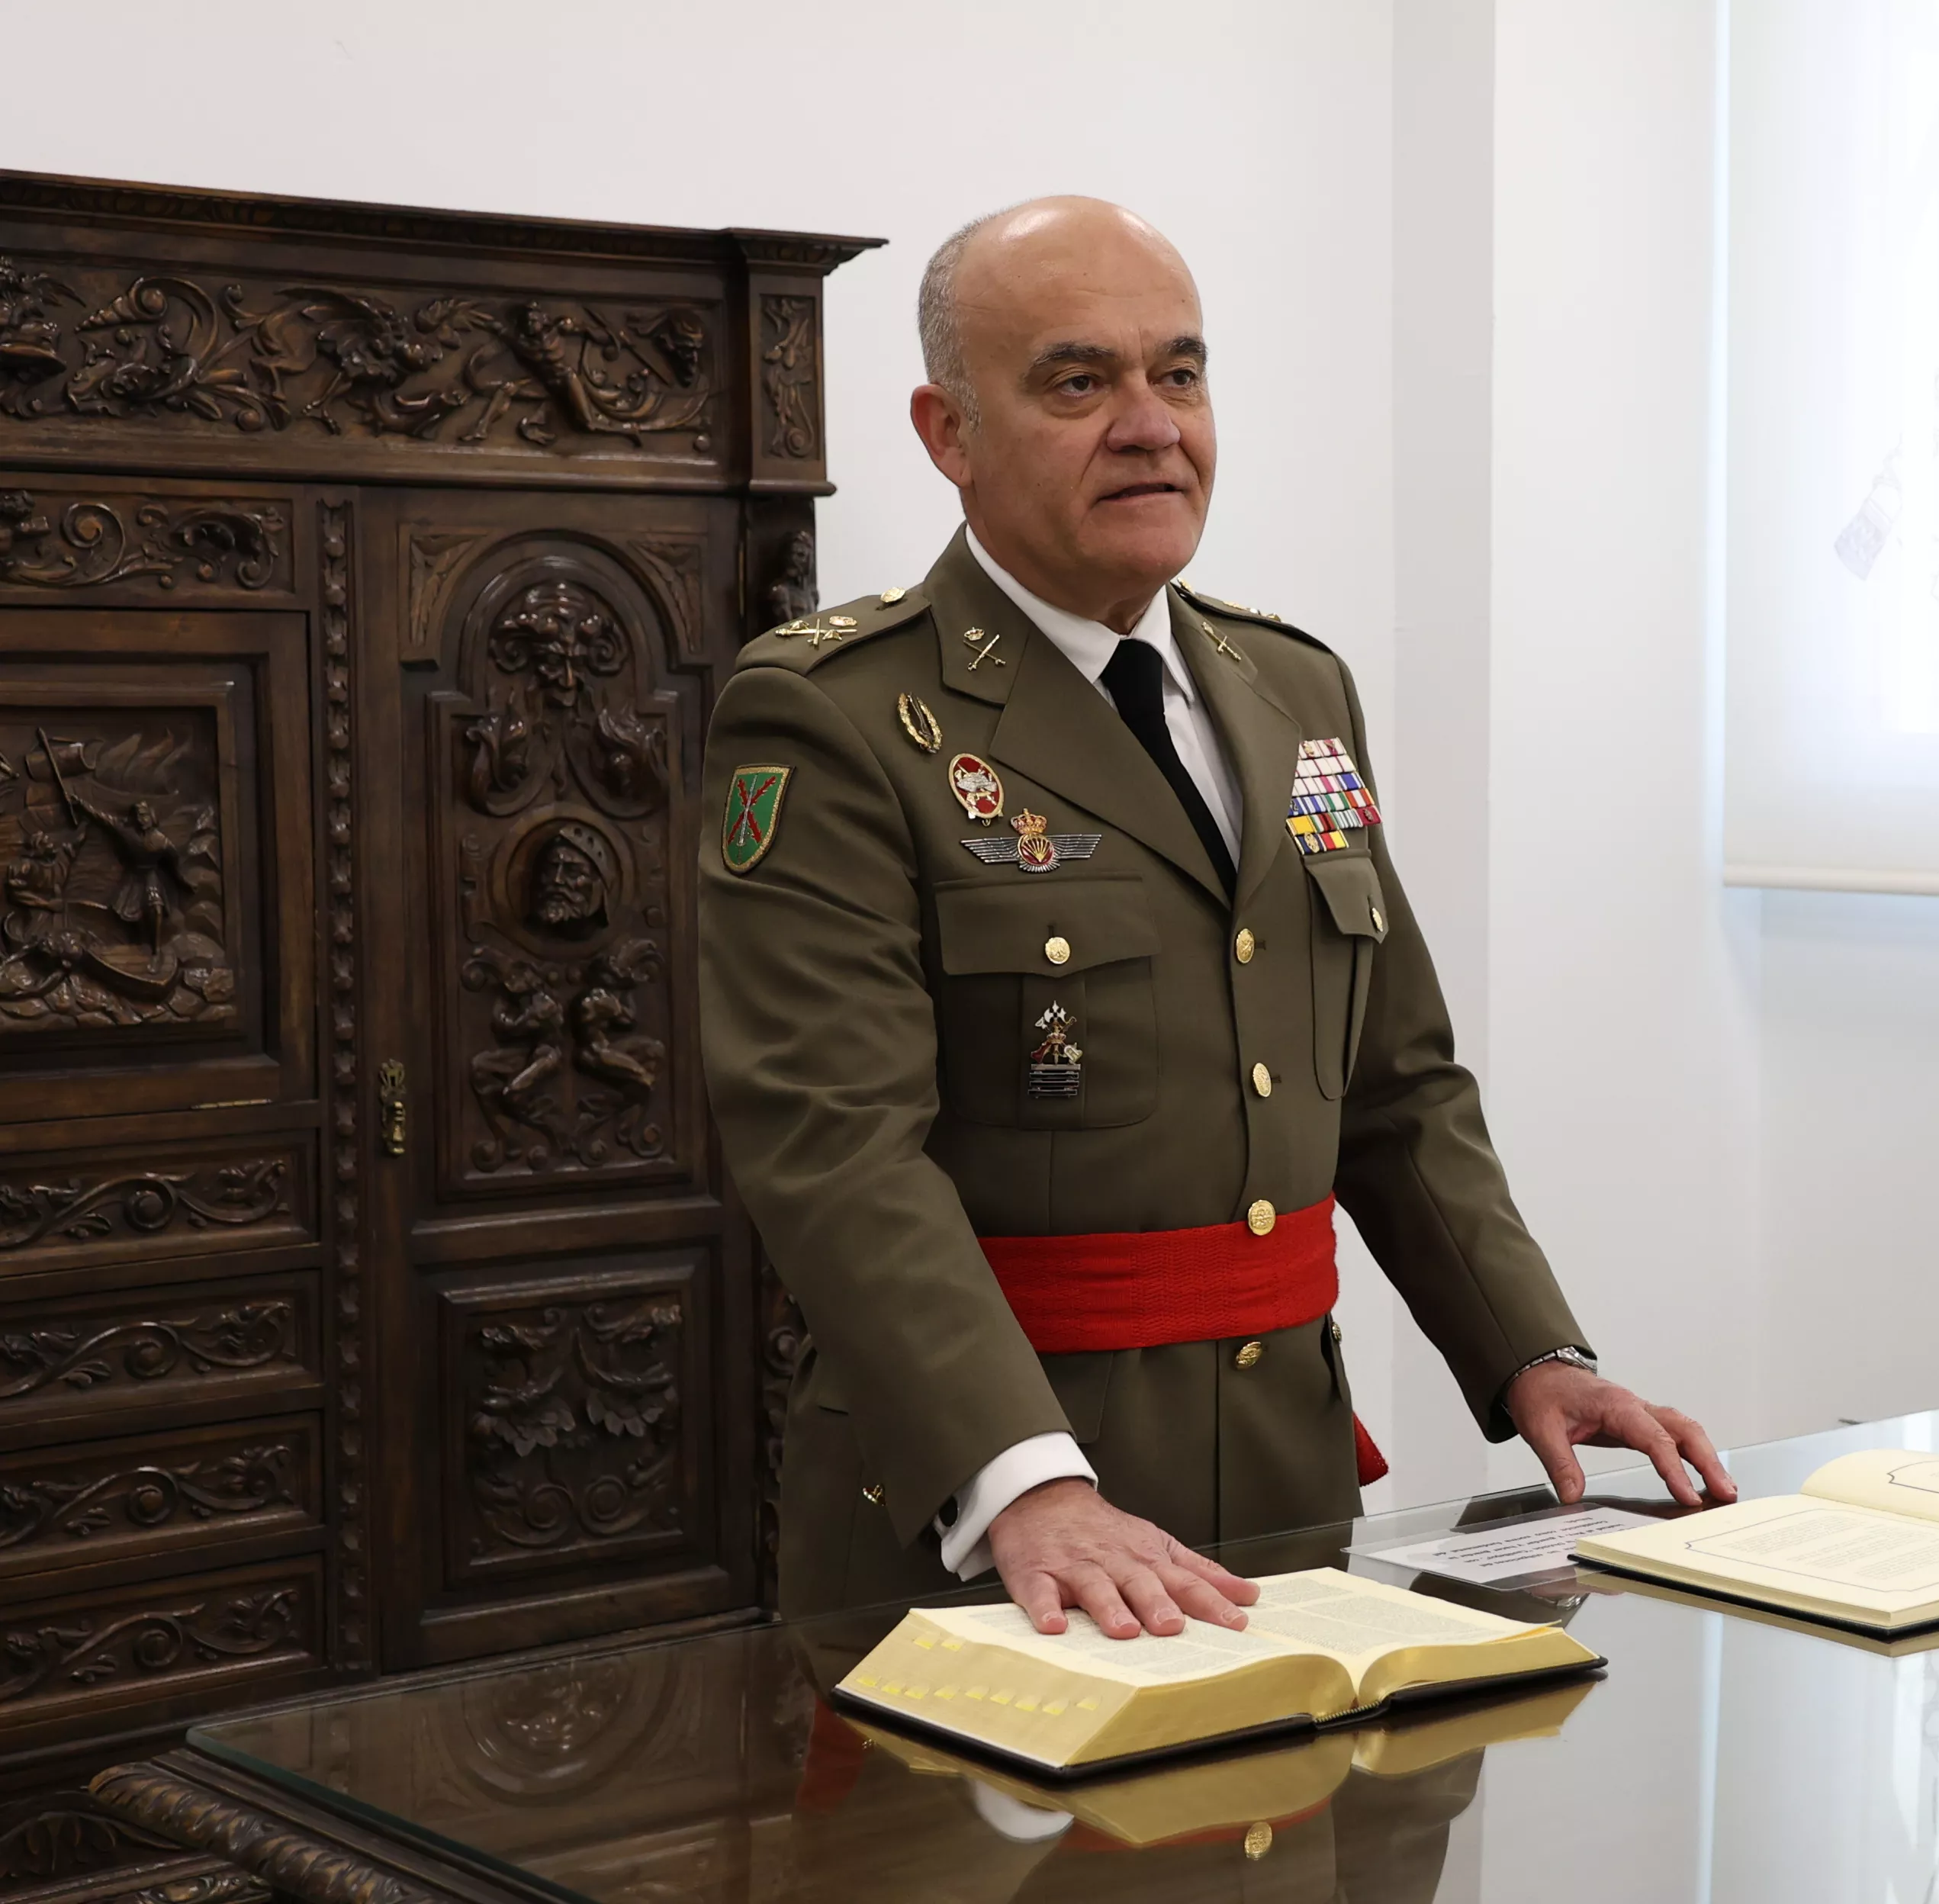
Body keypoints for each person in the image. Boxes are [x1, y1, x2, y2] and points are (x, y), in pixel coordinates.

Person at [698, 196, 1732, 1640]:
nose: (1148, 423)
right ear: (947, 433)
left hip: (1288, 1488)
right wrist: (1025, 1483)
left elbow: (1396, 1087)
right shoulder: (836, 715)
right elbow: (835, 1152)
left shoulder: (1291, 691)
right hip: (993, 1527)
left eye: (1177, 374)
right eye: (1078, 380)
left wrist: (1530, 1356)